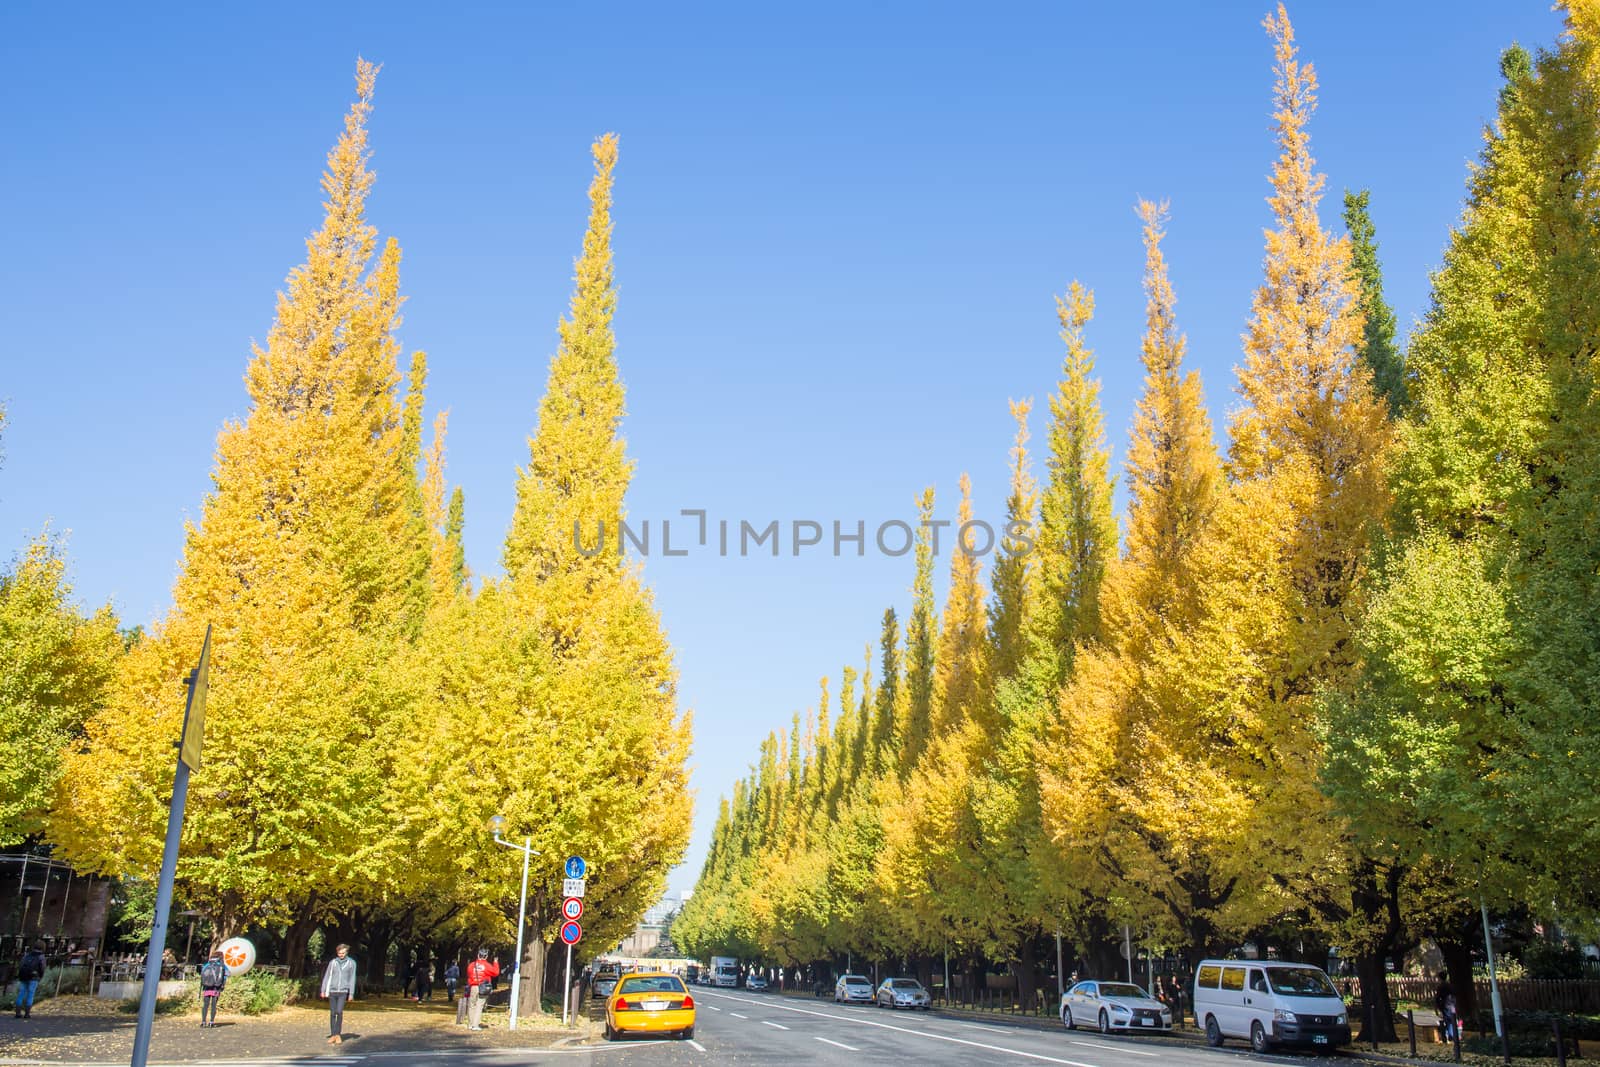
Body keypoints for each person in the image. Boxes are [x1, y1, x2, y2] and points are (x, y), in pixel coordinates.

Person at [320, 943, 357, 1045]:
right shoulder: (333, 963)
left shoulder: (351, 963)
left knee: (339, 1011)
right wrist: (323, 990)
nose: (341, 955)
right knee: (332, 1013)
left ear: (346, 952)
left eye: (343, 953)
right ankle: (333, 1035)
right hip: (332, 990)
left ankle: (338, 1034)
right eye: (339, 953)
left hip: (343, 991)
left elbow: (352, 978)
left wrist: (351, 993)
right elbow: (327, 976)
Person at [464, 949, 500, 1031]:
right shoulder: (487, 965)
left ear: (478, 955)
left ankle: (470, 1024)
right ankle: (475, 1025)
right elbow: (496, 972)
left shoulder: (471, 965)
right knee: (479, 1006)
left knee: (471, 1005)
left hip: (473, 986)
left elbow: (469, 974)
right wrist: (495, 962)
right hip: (482, 987)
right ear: (486, 956)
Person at [13, 943, 45, 1019]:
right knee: (30, 995)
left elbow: (21, 965)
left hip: (24, 976)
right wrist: (40, 977)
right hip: (34, 977)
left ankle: (18, 1013)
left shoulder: (27, 955)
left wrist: (20, 975)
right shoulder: (41, 957)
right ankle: (27, 1014)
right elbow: (42, 968)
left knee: (21, 994)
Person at [198, 950, 228, 1028]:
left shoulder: (208, 964)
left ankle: (203, 1022)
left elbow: (202, 974)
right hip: (216, 987)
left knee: (205, 1005)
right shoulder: (221, 965)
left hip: (206, 987)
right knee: (213, 1005)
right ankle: (211, 1022)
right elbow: (227, 974)